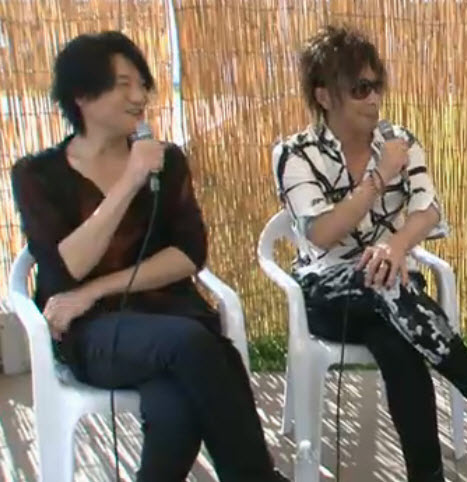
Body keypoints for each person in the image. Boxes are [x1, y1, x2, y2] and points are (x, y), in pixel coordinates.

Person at [272, 25, 467, 482]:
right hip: (326, 292)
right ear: (324, 96)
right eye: (360, 89)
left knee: (397, 342)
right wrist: (379, 177)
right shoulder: (294, 154)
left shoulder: (400, 140)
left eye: (376, 85)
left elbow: (429, 209)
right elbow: (322, 233)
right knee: (383, 285)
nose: (374, 98)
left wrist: (395, 244)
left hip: (393, 286)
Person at [10, 31, 286, 481]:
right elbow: (69, 267)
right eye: (123, 85)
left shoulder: (168, 162)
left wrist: (95, 290)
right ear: (82, 95)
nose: (140, 97)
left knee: (174, 406)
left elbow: (189, 254)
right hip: (95, 333)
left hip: (170, 316)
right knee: (194, 343)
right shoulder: (37, 175)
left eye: (142, 84)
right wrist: (130, 181)